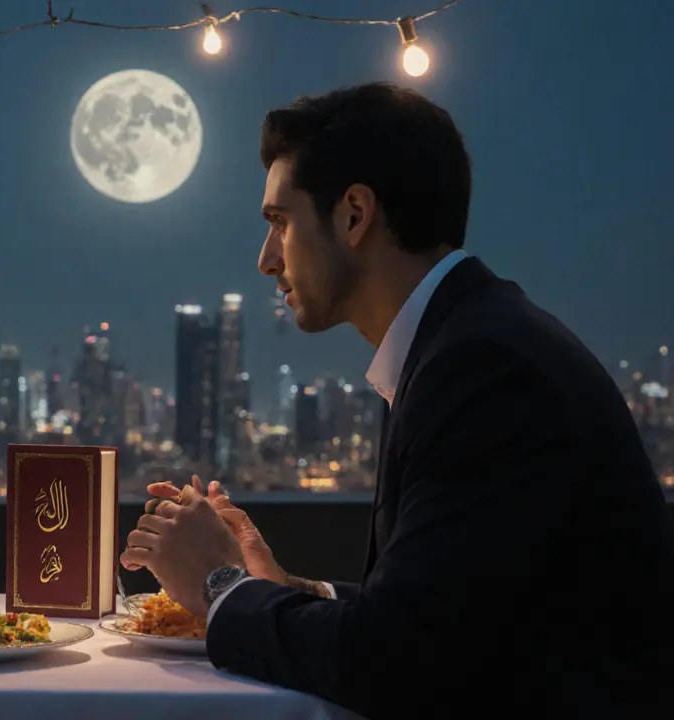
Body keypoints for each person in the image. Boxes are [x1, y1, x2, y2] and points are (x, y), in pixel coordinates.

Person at [121, 83, 674, 718]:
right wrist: (281, 587)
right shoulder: (468, 340)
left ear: (354, 214)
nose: (265, 259)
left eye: (280, 221)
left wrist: (222, 586)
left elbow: (394, 663)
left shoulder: (482, 368)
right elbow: (442, 616)